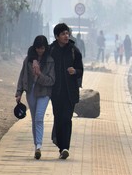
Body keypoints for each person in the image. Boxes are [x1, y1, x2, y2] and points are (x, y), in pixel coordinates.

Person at [15, 35, 55, 160]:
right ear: (35, 47)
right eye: (38, 48)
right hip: (30, 92)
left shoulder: (50, 61)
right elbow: (23, 76)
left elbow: (51, 80)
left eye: (42, 48)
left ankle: (39, 145)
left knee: (39, 117)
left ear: (45, 48)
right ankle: (36, 146)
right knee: (34, 119)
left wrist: (40, 75)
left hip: (44, 92)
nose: (40, 51)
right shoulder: (28, 60)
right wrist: (19, 92)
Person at [49, 23, 84, 159]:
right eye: (63, 34)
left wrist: (75, 71)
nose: (66, 36)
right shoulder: (51, 50)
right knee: (58, 118)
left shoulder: (74, 50)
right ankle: (60, 144)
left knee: (66, 119)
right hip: (55, 92)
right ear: (57, 36)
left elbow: (81, 70)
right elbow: (38, 56)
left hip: (70, 92)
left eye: (67, 33)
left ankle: (65, 147)